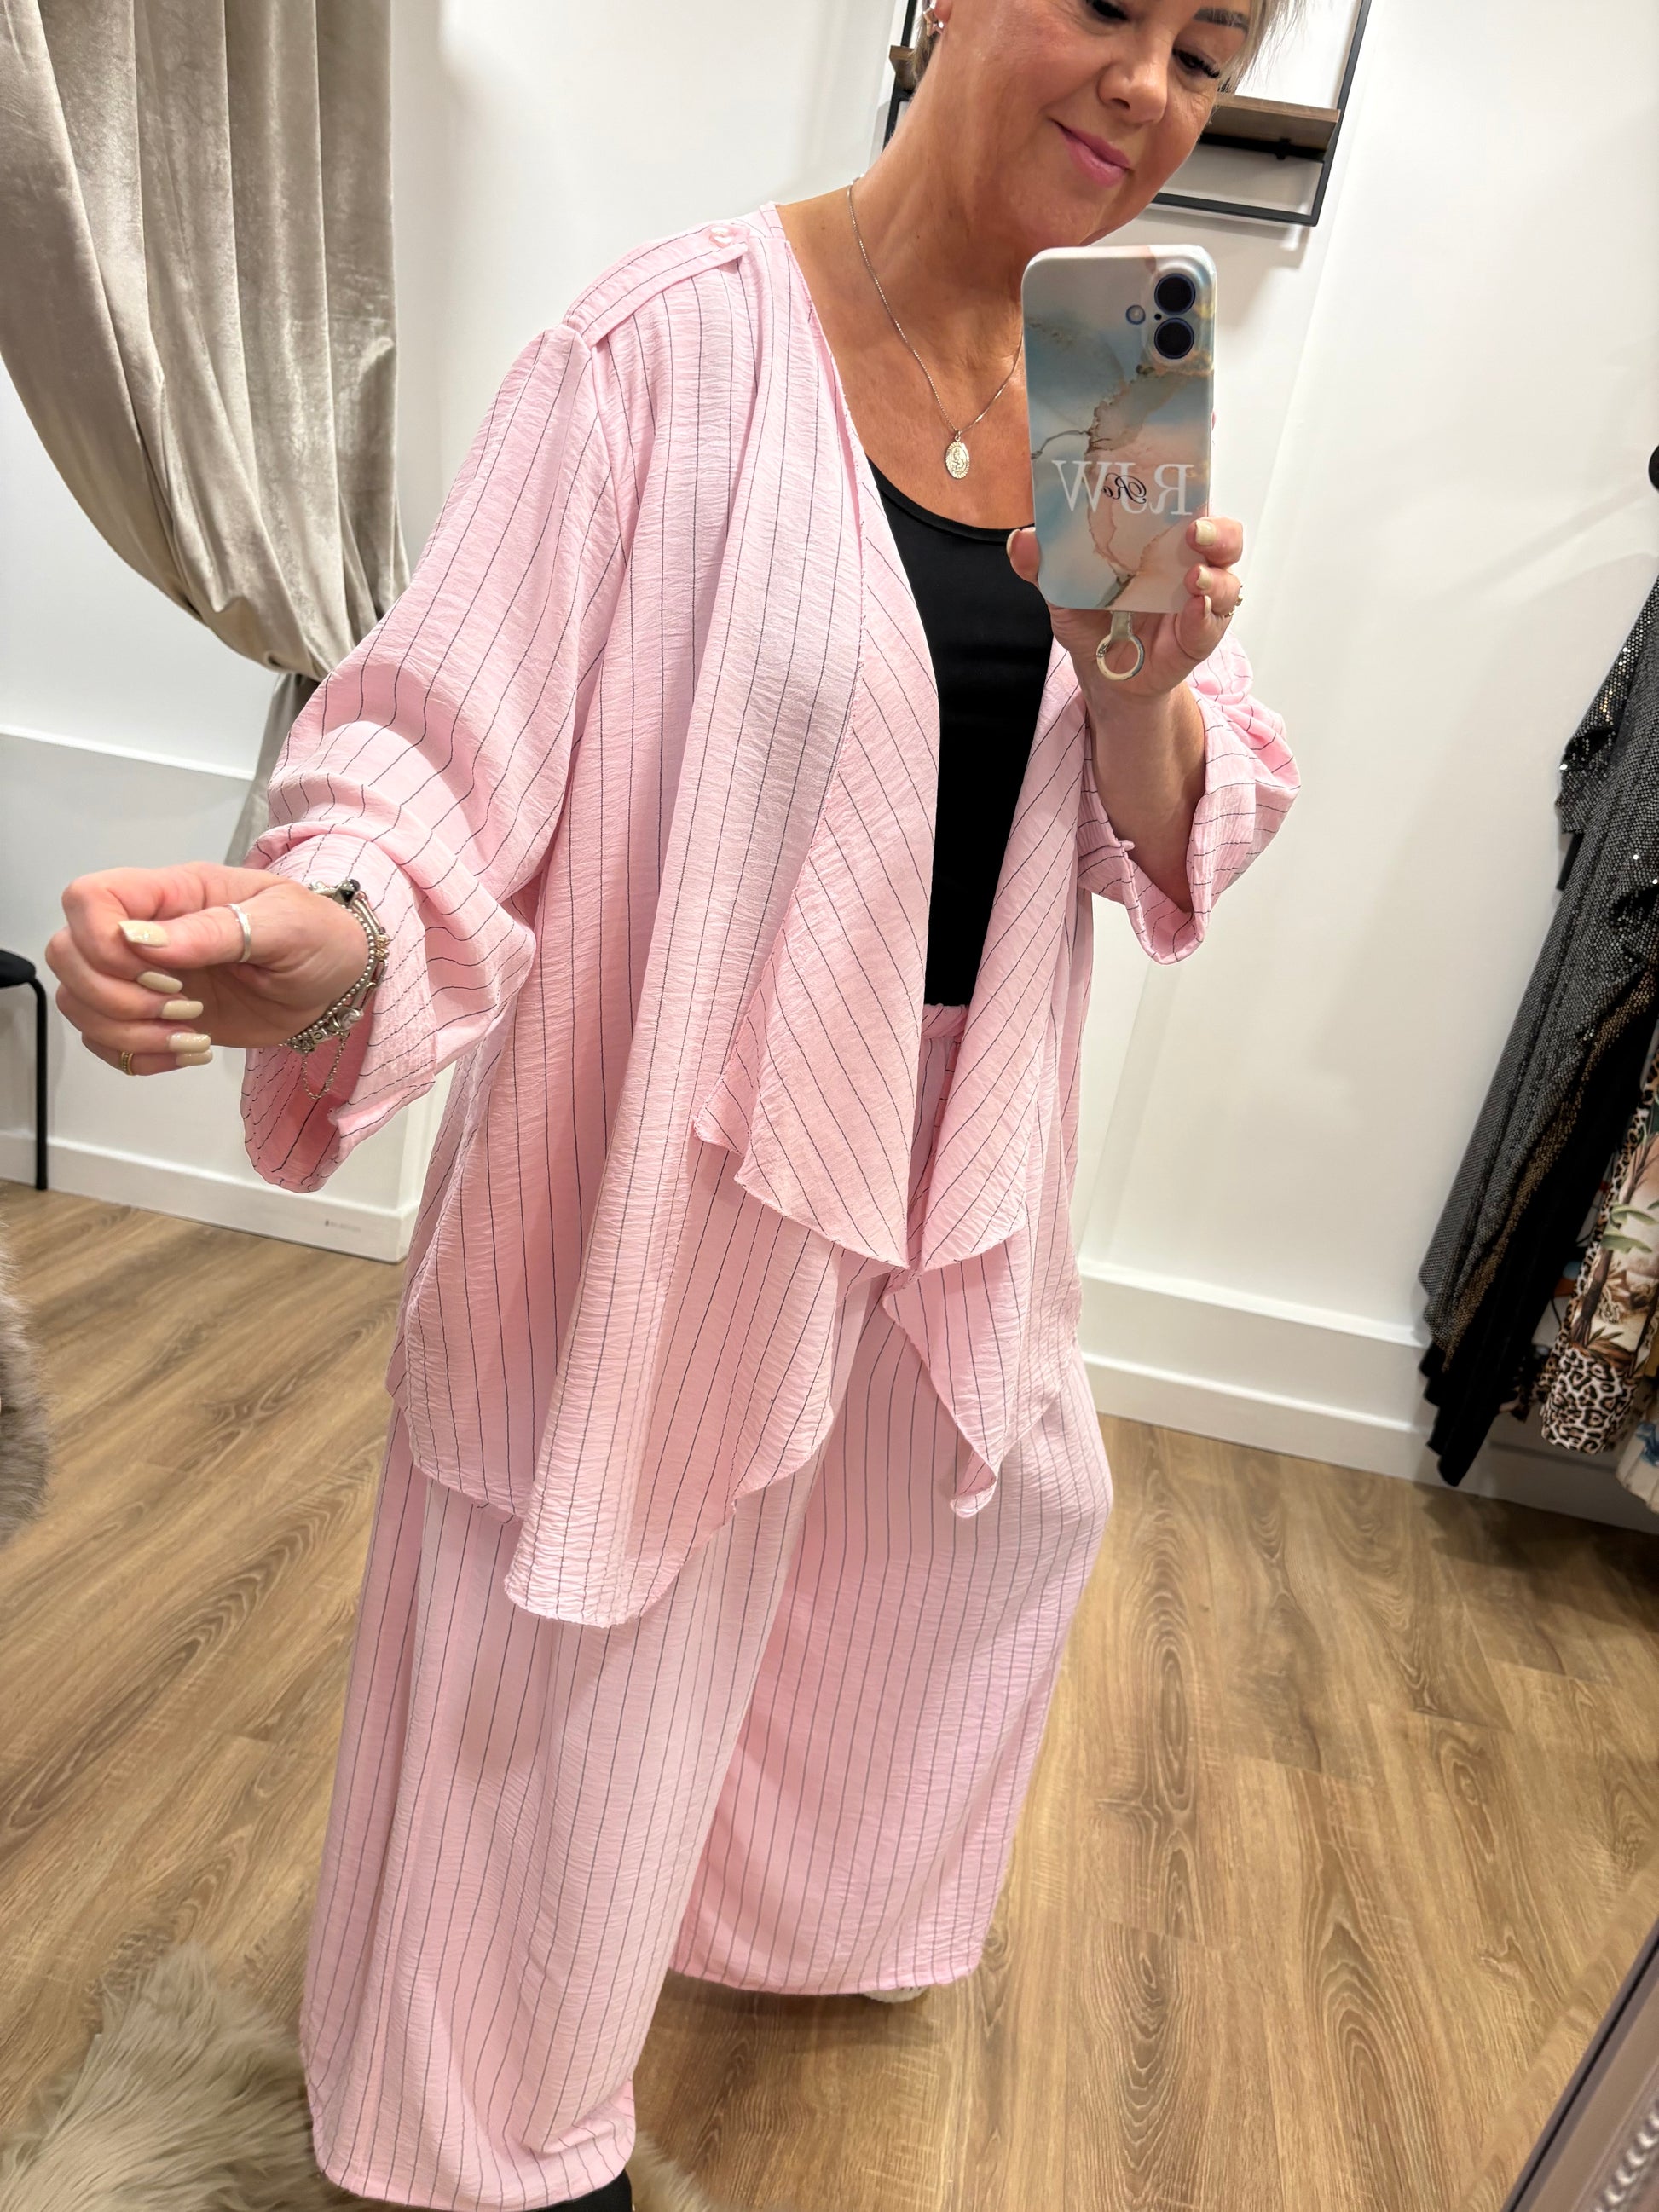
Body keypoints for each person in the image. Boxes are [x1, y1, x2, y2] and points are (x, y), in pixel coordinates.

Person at [46, 3, 1298, 2204]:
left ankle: (735, 1926)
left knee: (962, 1538)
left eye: (1209, 49)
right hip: (665, 1121)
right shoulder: (662, 351)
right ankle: (483, 2140)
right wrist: (329, 927)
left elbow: (1154, 818)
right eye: (1111, 2)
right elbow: (443, 747)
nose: (1150, 88)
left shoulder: (1109, 384)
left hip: (956, 1135)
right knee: (570, 1631)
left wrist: (1144, 690)